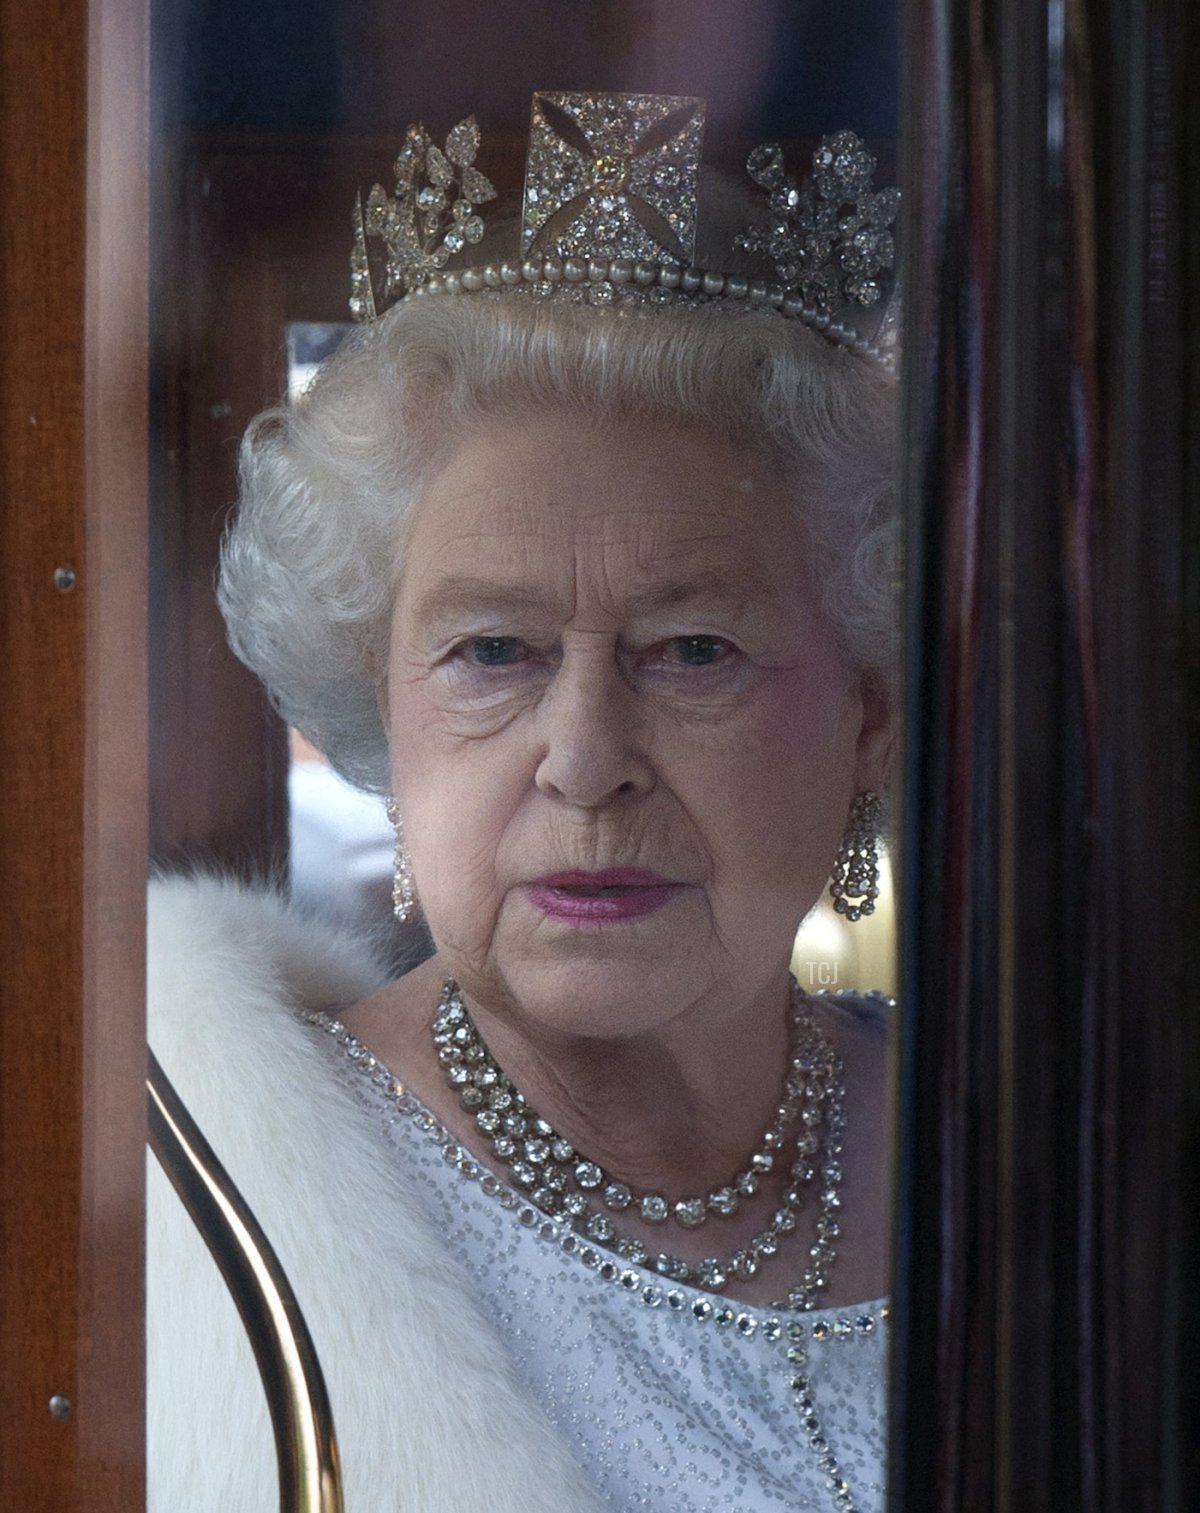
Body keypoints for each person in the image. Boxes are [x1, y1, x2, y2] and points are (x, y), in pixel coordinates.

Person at [147, 95, 900, 1513]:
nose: (586, 755)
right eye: (494, 653)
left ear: (867, 710)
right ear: (382, 702)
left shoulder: (1024, 1149)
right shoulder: (208, 1199)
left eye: (693, 650)